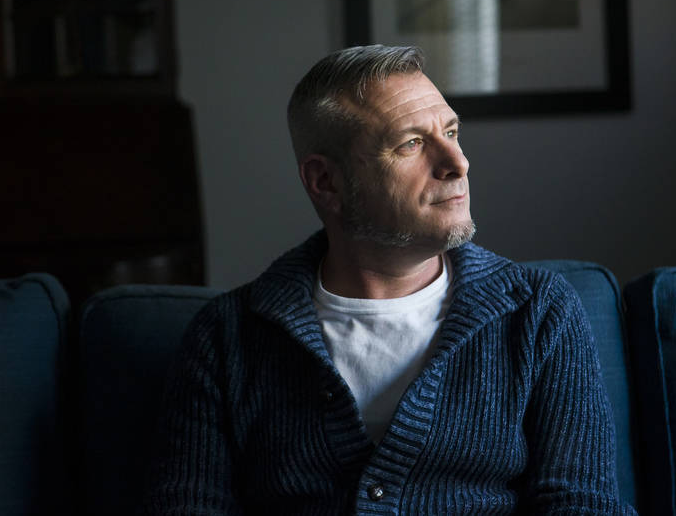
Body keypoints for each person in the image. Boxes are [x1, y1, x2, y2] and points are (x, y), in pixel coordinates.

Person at [141, 45, 635, 514]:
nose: (457, 163)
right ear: (325, 182)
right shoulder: (226, 339)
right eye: (412, 143)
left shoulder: (538, 312)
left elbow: (581, 502)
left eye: (452, 131)